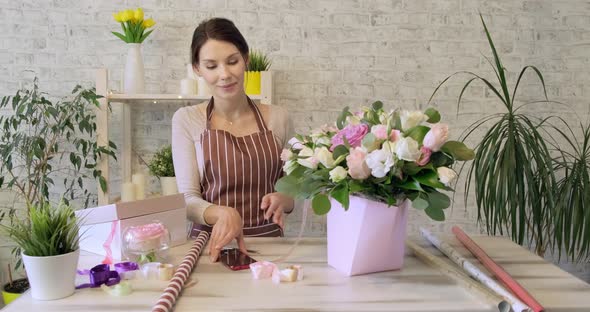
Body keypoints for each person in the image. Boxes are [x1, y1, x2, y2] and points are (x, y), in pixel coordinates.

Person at [172, 17, 294, 262]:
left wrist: (285, 198)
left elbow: (295, 189)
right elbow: (187, 200)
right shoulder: (186, 120)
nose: (225, 74)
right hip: (210, 250)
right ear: (197, 68)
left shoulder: (279, 118)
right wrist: (220, 213)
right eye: (211, 66)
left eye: (232, 61)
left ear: (246, 58)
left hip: (269, 250)